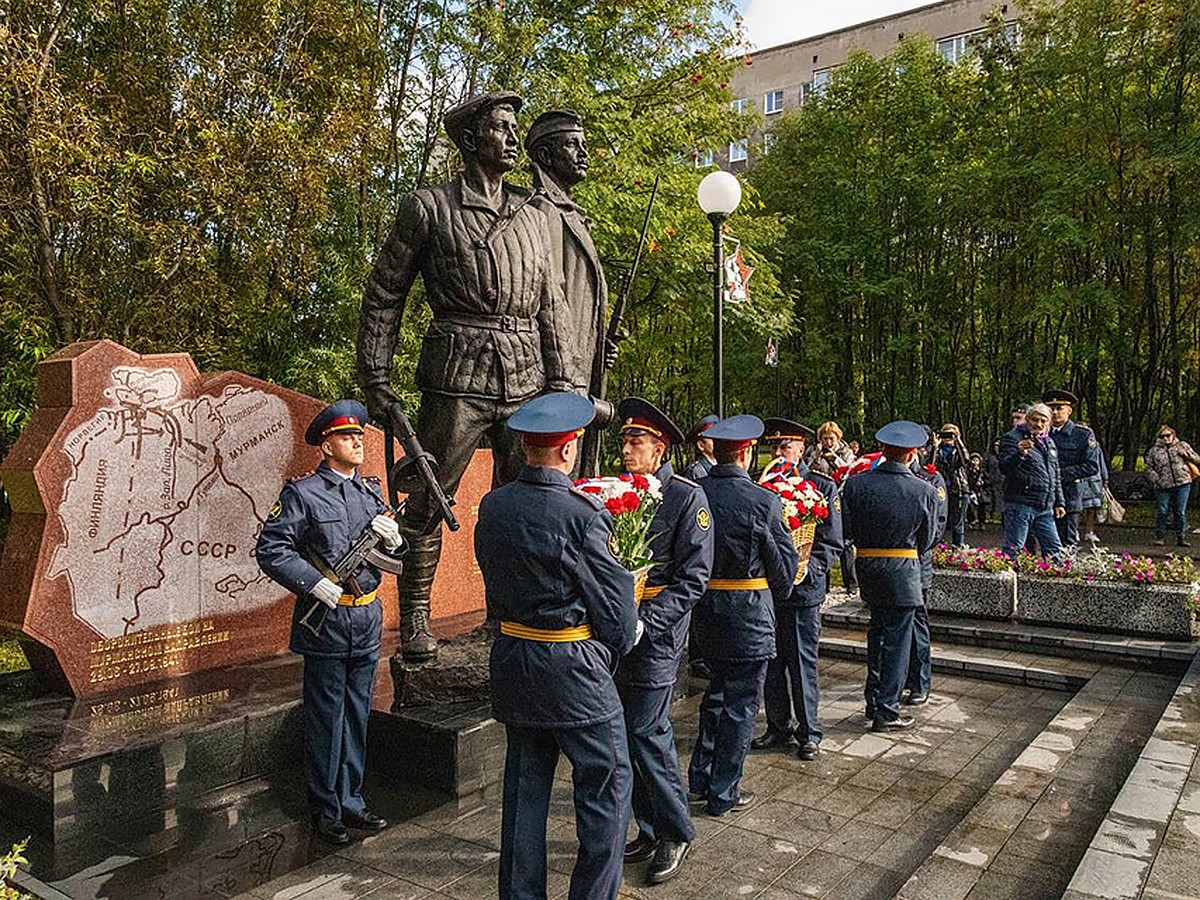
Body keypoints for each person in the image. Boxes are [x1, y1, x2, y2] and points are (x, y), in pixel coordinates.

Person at [359, 91, 568, 664]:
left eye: (513, 128)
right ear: (471, 139)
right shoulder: (428, 208)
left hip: (524, 378)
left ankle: (508, 613)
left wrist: (566, 384)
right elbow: (385, 296)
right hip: (457, 372)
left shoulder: (534, 214)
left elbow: (552, 305)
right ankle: (418, 621)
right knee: (428, 498)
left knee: (522, 502)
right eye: (500, 127)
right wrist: (376, 376)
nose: (510, 138)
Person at [474, 392, 637, 900]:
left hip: (514, 661)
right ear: (569, 450)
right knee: (608, 785)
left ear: (525, 445)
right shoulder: (582, 515)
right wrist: (616, 642)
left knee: (524, 792)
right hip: (573, 670)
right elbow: (614, 610)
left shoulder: (494, 504)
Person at [256, 401, 401, 844]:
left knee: (357, 715)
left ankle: (352, 800)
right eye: (346, 437)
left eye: (359, 437)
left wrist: (396, 542)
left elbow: (395, 558)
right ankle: (326, 808)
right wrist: (312, 582)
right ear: (326, 444)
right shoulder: (303, 495)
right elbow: (272, 548)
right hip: (327, 622)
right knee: (326, 719)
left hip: (367, 618)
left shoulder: (372, 493)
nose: (357, 443)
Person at [614, 398, 713, 885]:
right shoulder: (616, 491)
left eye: (636, 442)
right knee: (628, 735)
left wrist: (648, 620)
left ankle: (676, 831)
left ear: (660, 449)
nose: (626, 449)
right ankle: (650, 826)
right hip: (615, 630)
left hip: (655, 633)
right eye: (625, 440)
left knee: (646, 731)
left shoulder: (686, 497)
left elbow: (693, 578)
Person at [688, 415, 798, 817]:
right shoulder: (763, 500)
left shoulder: (694, 492)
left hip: (705, 613)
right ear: (749, 452)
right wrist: (779, 592)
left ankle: (700, 776)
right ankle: (723, 792)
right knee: (741, 707)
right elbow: (783, 569)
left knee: (715, 696)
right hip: (748, 615)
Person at [526, 110, 615, 475]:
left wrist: (596, 346)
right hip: (555, 377)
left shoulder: (570, 213)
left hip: (577, 371)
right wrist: (566, 371)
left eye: (585, 145)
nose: (584, 154)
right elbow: (548, 294)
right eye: (572, 145)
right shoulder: (541, 210)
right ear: (545, 156)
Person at [751, 419, 843, 761]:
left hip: (804, 592)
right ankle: (778, 726)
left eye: (785, 446)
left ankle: (809, 731)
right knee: (772, 662)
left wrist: (808, 570)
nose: (778, 452)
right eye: (773, 446)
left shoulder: (820, 485)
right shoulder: (762, 487)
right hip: (770, 591)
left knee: (802, 663)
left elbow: (831, 541)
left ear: (801, 448)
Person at [839, 421, 940, 732]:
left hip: (868, 568)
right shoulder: (924, 490)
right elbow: (929, 539)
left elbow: (848, 531)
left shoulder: (856, 485)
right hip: (904, 571)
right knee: (897, 642)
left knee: (877, 634)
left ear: (882, 450)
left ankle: (873, 699)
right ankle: (887, 710)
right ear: (912, 454)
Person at [999, 403, 1065, 562]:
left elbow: (1055, 474)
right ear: (1027, 420)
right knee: (1014, 549)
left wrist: (1059, 502)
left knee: (1054, 550)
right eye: (1035, 420)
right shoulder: (1012, 438)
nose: (1039, 424)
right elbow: (1004, 467)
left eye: (1044, 421)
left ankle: (1056, 582)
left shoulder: (1049, 443)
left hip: (1045, 506)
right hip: (1021, 502)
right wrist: (1019, 454)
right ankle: (1008, 582)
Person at [906, 456, 948, 706]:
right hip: (893, 565)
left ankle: (920, 682)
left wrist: (914, 550)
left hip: (917, 560)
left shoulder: (931, 478)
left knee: (917, 625)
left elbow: (938, 524)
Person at [1042, 390, 1101, 549]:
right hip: (1042, 495)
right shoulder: (1040, 434)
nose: (1055, 412)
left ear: (1069, 410)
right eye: (1051, 408)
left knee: (1067, 542)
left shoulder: (1082, 434)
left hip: (1069, 494)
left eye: (1059, 408)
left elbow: (1091, 466)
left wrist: (1059, 474)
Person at [1145, 426, 1200, 547]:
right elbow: (1148, 468)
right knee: (1162, 511)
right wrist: (1156, 480)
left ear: (1173, 435)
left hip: (1182, 483)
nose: (1165, 438)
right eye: (1162, 436)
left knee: (1180, 511)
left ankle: (1181, 537)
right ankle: (1160, 537)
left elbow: (1197, 459)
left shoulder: (1182, 445)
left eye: (1168, 435)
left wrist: (1186, 454)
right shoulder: (1154, 451)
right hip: (1163, 486)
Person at [933, 424, 971, 547]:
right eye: (946, 434)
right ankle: (938, 546)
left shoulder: (958, 450)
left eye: (951, 435)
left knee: (958, 521)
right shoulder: (938, 451)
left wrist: (958, 441)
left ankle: (957, 545)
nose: (948, 438)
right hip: (941, 489)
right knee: (939, 519)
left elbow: (965, 461)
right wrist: (935, 446)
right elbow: (929, 466)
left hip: (959, 489)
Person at [684, 414, 719, 480]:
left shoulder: (722, 466)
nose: (718, 442)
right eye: (713, 439)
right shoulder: (695, 472)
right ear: (701, 445)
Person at [984, 441, 1004, 524]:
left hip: (1001, 481)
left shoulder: (1004, 456)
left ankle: (999, 517)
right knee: (989, 500)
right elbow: (984, 467)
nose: (997, 447)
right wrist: (987, 477)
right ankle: (988, 516)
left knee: (1000, 500)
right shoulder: (989, 456)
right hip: (990, 481)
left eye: (998, 445)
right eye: (995, 445)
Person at [966, 452, 987, 529]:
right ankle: (971, 520)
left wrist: (983, 482)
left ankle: (982, 522)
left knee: (982, 507)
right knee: (970, 506)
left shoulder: (982, 471)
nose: (975, 462)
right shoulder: (968, 470)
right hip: (971, 490)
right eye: (973, 460)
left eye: (977, 460)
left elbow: (988, 480)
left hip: (980, 490)